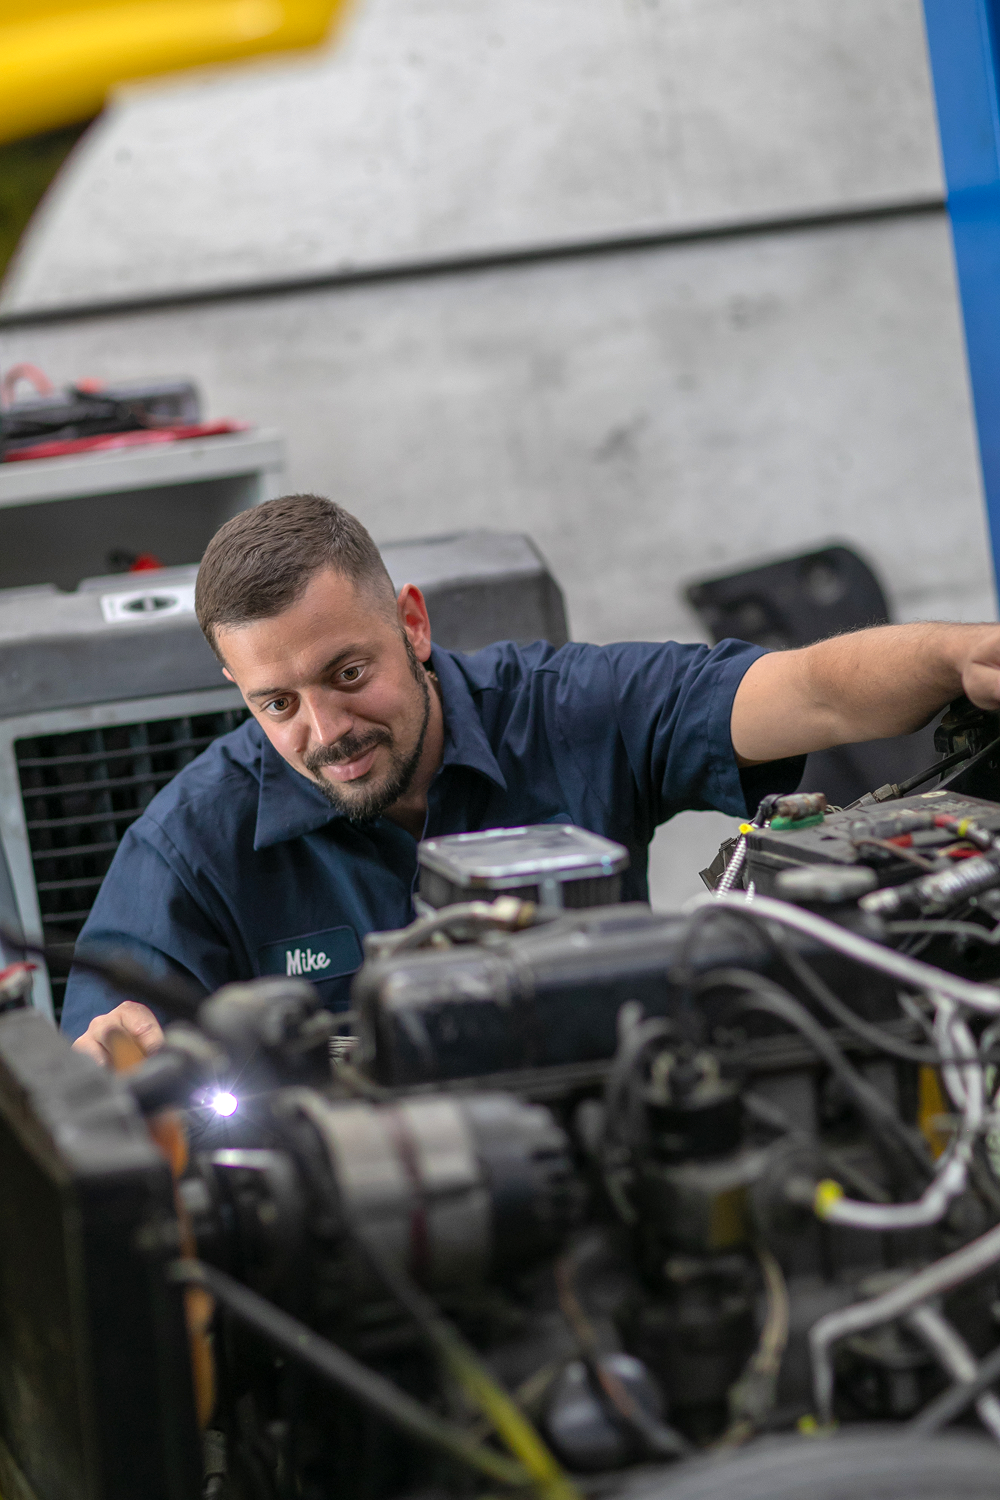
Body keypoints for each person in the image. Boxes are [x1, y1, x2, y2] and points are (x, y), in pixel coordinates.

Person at [65, 492, 1000, 1064]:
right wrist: (120, 1056)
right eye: (278, 704)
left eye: (349, 675)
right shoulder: (189, 849)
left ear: (413, 625)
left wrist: (963, 656)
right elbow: (102, 1060)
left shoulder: (564, 709)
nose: (326, 730)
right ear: (239, 691)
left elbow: (813, 694)